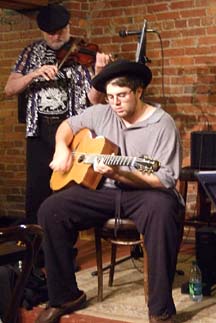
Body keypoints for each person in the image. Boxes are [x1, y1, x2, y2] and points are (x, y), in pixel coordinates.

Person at [35, 59, 184, 323]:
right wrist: (61, 146)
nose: (115, 103)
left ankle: (160, 311)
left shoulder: (163, 124)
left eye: (122, 96)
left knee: (162, 210)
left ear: (139, 92)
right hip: (103, 190)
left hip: (145, 191)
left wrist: (119, 173)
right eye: (111, 97)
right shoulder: (102, 113)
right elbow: (67, 127)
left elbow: (164, 179)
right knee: (51, 209)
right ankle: (65, 296)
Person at [4, 4, 110, 225]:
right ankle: (35, 250)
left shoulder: (84, 52)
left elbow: (94, 100)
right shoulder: (30, 52)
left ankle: (64, 250)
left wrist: (100, 74)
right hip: (39, 130)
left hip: (73, 130)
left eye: (60, 31)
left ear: (68, 27)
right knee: (37, 189)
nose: (55, 36)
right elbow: (9, 89)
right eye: (50, 33)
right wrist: (34, 74)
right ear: (42, 31)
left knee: (67, 188)